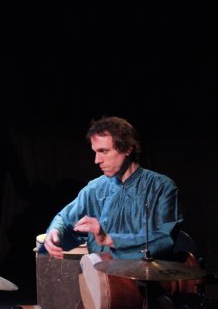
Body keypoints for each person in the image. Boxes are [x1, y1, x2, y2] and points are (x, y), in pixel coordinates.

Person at [42, 116, 184, 308]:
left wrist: (108, 239)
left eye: (104, 151)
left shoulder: (161, 187)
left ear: (127, 148)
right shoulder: (95, 189)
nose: (96, 160)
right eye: (95, 152)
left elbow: (164, 238)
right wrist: (55, 232)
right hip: (102, 286)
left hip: (145, 288)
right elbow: (65, 219)